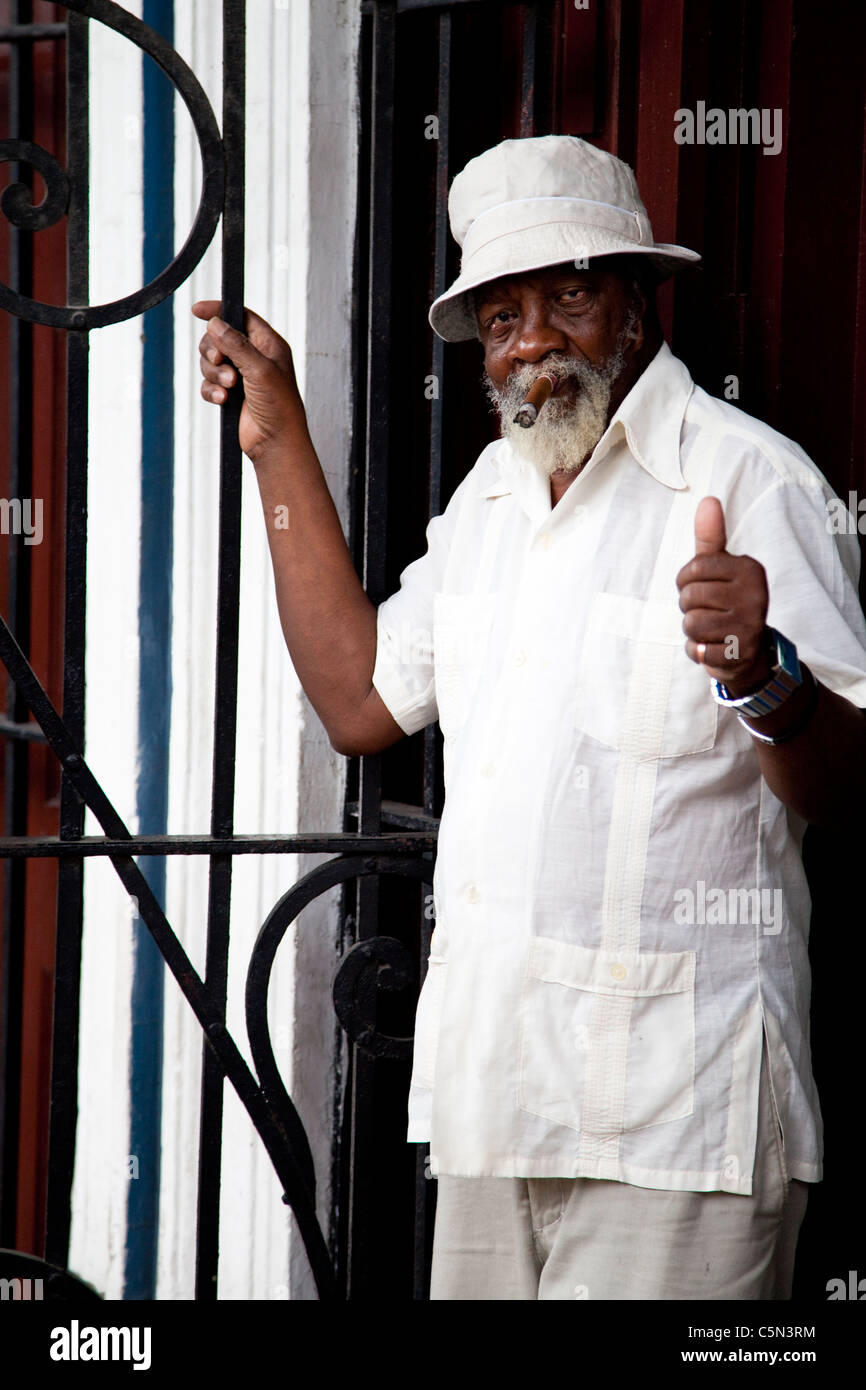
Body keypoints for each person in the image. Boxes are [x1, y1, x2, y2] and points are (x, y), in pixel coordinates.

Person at [193, 135, 866, 1300]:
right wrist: (275, 439)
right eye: (501, 317)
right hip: (491, 1110)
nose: (536, 339)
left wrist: (761, 669)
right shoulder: (491, 503)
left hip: (675, 1129)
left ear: (637, 307)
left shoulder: (749, 481)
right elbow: (360, 698)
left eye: (569, 294)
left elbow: (843, 783)